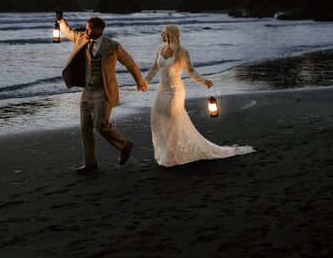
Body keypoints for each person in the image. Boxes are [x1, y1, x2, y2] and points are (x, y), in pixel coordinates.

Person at [144, 25, 254, 167]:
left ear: (170, 34)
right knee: (156, 119)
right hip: (162, 90)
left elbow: (191, 71)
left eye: (163, 33)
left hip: (175, 91)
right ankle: (165, 151)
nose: (161, 36)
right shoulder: (160, 49)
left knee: (171, 118)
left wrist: (204, 81)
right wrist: (145, 82)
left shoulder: (182, 52)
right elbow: (154, 68)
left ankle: (171, 155)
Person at [58, 13, 147, 173]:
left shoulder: (113, 46)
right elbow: (68, 32)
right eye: (86, 28)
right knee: (85, 128)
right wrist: (60, 20)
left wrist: (139, 81)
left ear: (99, 30)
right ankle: (90, 164)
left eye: (89, 29)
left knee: (101, 124)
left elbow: (129, 62)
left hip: (104, 91)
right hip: (87, 90)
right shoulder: (82, 38)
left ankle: (124, 145)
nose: (86, 31)